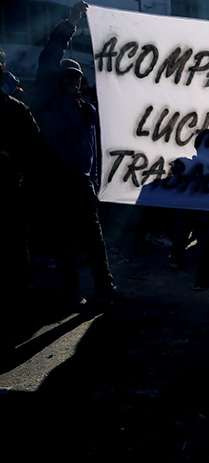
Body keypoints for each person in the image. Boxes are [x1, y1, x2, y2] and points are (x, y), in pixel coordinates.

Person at [30, 2, 122, 306]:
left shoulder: (88, 110)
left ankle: (104, 286)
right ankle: (72, 293)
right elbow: (48, 57)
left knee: (94, 239)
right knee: (64, 242)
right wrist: (71, 22)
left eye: (76, 77)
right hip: (57, 182)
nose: (72, 81)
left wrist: (94, 179)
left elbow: (94, 148)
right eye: (67, 77)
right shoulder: (48, 102)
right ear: (58, 81)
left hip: (83, 184)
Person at [0, 46, 47, 355]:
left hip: (10, 192)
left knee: (16, 252)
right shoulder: (16, 107)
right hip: (10, 192)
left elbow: (35, 148)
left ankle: (16, 311)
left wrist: (11, 160)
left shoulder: (17, 109)